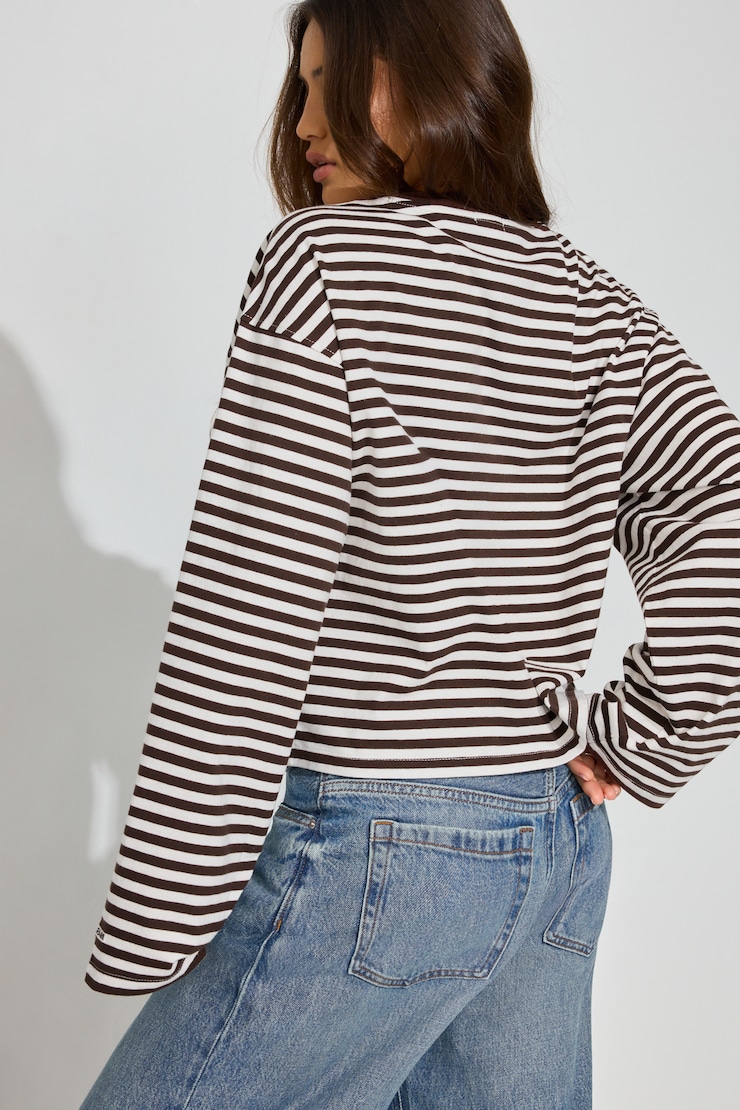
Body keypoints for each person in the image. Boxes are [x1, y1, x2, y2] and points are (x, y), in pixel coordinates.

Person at [81, 1, 740, 1107]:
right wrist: (652, 737)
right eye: (299, 89)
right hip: (551, 840)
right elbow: (719, 502)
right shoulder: (595, 303)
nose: (303, 123)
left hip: (372, 846)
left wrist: (163, 907)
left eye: (332, 82)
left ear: (428, 76)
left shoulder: (322, 265)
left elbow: (249, 606)